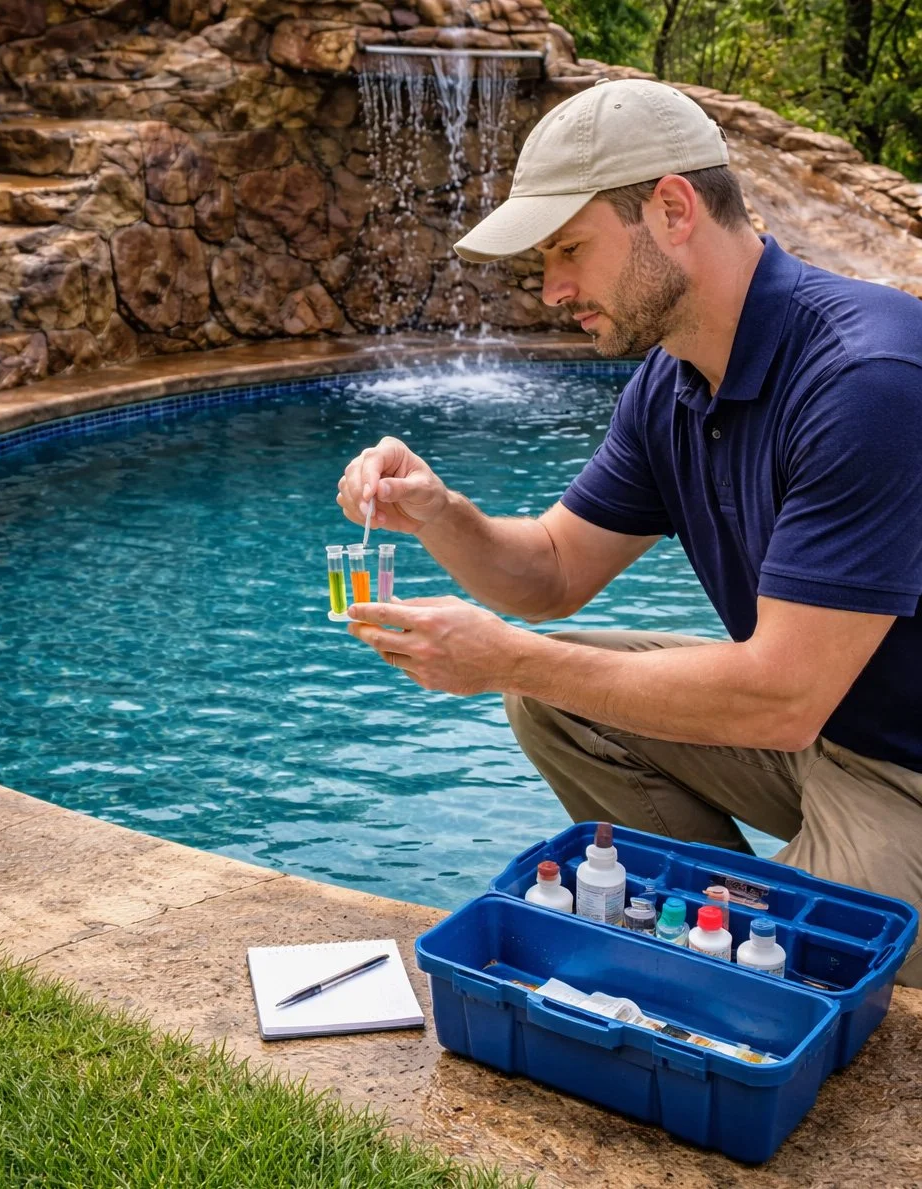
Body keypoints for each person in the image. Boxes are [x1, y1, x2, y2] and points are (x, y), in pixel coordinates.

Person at [336, 78, 922, 986]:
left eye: (569, 249)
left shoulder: (868, 377)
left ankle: (765, 941)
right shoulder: (672, 382)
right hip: (821, 739)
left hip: (904, 771)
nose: (552, 289)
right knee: (555, 702)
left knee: (793, 984)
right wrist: (438, 512)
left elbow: (783, 696)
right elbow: (554, 572)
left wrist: (510, 656)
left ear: (674, 209)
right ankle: (728, 922)